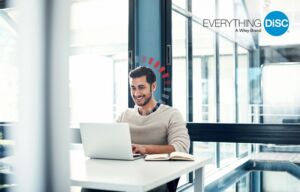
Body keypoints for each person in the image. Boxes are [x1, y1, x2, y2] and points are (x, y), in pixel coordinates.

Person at [117, 66, 190, 192]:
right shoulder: (125, 115)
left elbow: (181, 148)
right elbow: (111, 142)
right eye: (133, 88)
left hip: (157, 179)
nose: (136, 93)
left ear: (153, 87)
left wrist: (144, 149)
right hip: (126, 175)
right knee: (89, 188)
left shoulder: (171, 114)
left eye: (141, 87)